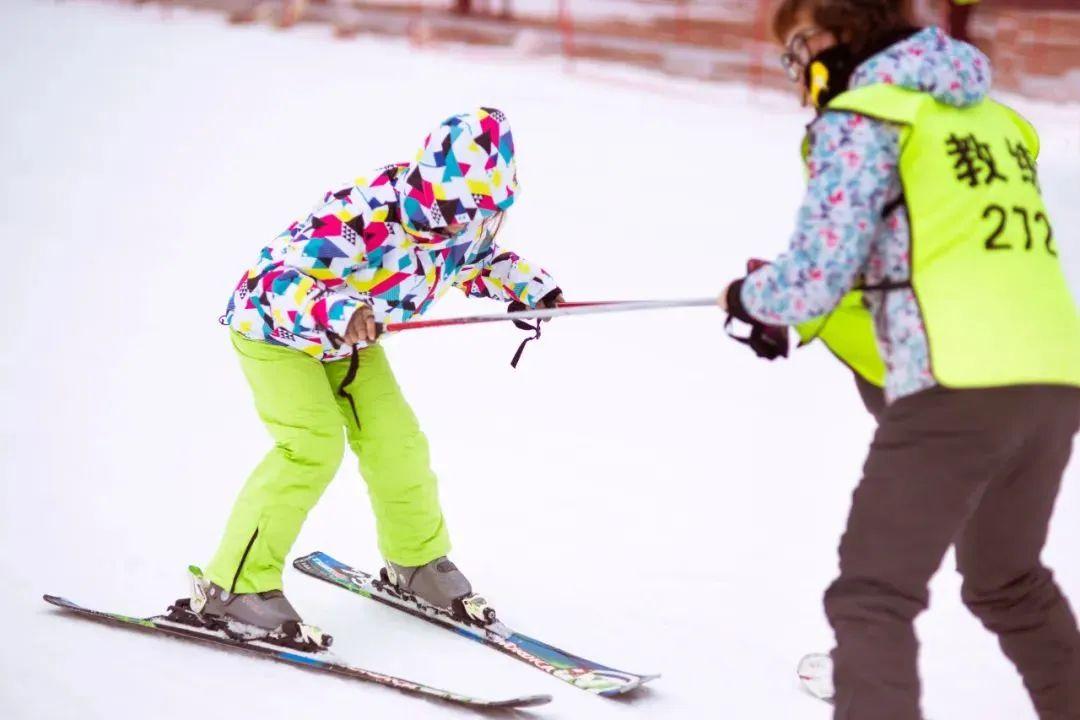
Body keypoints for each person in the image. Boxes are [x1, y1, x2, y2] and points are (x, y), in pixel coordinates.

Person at [719, 1, 1080, 718]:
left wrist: (750, 296)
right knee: (1005, 580)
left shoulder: (865, 117)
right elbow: (933, 249)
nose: (797, 74)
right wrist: (800, 304)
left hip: (954, 383)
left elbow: (821, 269)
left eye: (796, 51)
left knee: (872, 595)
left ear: (835, 36)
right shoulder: (993, 121)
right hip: (1054, 379)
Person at [193, 108, 562, 642]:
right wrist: (340, 312)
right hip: (275, 333)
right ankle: (232, 586)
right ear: (437, 191)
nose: (477, 221)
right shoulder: (361, 212)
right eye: (469, 208)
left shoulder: (467, 219)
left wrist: (529, 288)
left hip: (347, 347)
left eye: (489, 208)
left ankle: (414, 563)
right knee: (312, 448)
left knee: (397, 443)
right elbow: (276, 280)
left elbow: (475, 261)